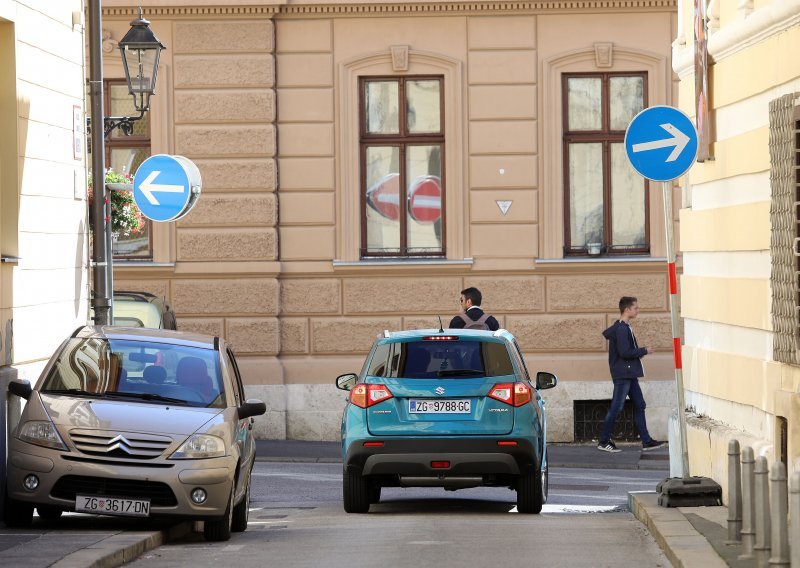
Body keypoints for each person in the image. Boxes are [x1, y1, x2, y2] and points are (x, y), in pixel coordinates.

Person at [598, 296, 666, 453]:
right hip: (623, 374)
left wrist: (640, 352)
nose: (638, 310)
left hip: (629, 373)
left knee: (640, 404)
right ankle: (603, 441)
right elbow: (624, 352)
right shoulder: (622, 329)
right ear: (627, 309)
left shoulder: (624, 327)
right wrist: (644, 350)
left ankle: (647, 441)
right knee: (617, 407)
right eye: (636, 308)